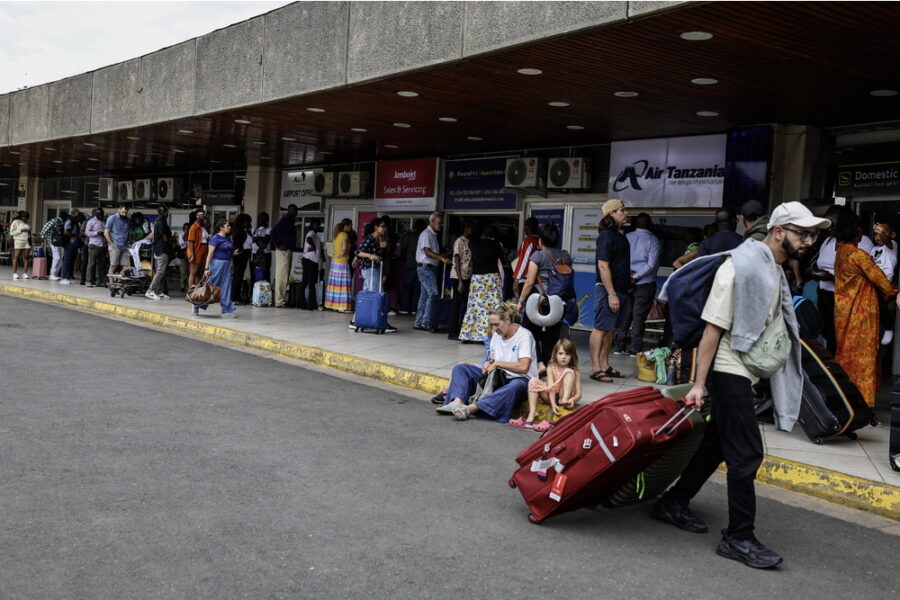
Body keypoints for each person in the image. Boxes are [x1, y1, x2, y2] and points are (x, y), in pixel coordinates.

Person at [653, 201, 829, 569]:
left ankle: (673, 502)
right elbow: (712, 328)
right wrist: (699, 384)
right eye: (802, 233)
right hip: (725, 367)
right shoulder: (740, 267)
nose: (809, 241)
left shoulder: (773, 269)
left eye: (812, 234)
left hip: (741, 369)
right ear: (779, 231)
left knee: (718, 443)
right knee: (746, 454)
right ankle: (738, 537)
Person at [833, 210, 900, 408]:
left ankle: (843, 397)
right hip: (861, 314)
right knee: (864, 359)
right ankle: (863, 404)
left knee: (844, 355)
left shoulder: (841, 252)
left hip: (842, 313)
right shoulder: (858, 255)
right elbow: (882, 282)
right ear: (857, 232)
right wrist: (896, 291)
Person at [436, 302, 538, 422]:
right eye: (491, 325)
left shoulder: (524, 336)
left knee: (515, 386)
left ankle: (471, 409)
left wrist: (497, 363)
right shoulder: (497, 335)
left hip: (519, 379)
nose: (494, 329)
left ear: (508, 320)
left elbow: (524, 366)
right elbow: (493, 359)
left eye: (497, 324)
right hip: (497, 377)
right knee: (461, 368)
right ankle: (457, 402)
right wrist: (488, 364)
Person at [814, 205, 872, 351]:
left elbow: (864, 275)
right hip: (824, 296)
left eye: (833, 222)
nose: (829, 226)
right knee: (827, 334)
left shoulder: (862, 242)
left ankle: (839, 371)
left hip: (844, 299)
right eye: (827, 222)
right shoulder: (828, 241)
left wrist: (832, 277)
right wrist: (815, 272)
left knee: (840, 340)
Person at [516, 221, 573, 366]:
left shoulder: (538, 255)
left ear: (540, 240)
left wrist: (520, 302)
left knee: (530, 332)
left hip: (539, 301)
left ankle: (539, 363)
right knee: (552, 335)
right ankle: (549, 365)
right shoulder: (565, 256)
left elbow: (529, 282)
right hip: (558, 302)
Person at [589, 199, 630, 383]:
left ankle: (605, 365)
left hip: (620, 289)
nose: (626, 212)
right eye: (622, 210)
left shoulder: (619, 235)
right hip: (608, 291)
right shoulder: (606, 235)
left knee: (611, 329)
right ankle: (595, 368)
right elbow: (603, 265)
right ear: (611, 214)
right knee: (601, 328)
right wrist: (611, 293)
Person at [509, 338, 582, 432]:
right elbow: (551, 387)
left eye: (567, 354)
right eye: (560, 353)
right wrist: (553, 404)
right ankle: (532, 412)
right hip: (551, 395)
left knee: (568, 372)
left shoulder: (575, 370)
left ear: (572, 356)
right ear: (555, 354)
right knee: (533, 381)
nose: (563, 357)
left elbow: (579, 394)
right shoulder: (551, 367)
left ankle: (564, 400)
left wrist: (572, 400)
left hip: (565, 399)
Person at [615, 213, 660, 356]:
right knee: (639, 316)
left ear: (636, 224)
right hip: (644, 283)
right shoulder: (653, 240)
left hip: (627, 281)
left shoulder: (627, 237)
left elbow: (620, 259)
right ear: (650, 224)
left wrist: (628, 276)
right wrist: (637, 276)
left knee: (626, 314)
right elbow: (651, 264)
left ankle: (619, 346)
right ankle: (635, 348)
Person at [458, 221, 506, 342]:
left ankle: (470, 335)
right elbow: (503, 259)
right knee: (493, 307)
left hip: (477, 279)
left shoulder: (472, 243)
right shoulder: (495, 244)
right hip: (492, 278)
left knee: (474, 307)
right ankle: (490, 334)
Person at [352, 217, 398, 333]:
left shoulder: (377, 239)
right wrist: (369, 255)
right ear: (376, 227)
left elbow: (382, 251)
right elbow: (358, 251)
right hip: (370, 269)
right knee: (377, 295)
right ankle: (380, 322)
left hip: (374, 269)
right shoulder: (370, 238)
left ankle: (356, 320)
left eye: (385, 226)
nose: (384, 228)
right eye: (382, 226)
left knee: (367, 295)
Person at [414, 212, 451, 331]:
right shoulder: (426, 234)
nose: (441, 225)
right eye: (439, 222)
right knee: (433, 293)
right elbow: (427, 251)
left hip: (428, 268)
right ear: (432, 221)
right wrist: (441, 258)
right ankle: (426, 321)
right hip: (426, 268)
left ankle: (419, 321)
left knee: (424, 295)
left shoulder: (433, 235)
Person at [195, 218, 237, 318]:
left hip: (227, 264)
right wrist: (206, 268)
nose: (229, 227)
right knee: (211, 286)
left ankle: (226, 310)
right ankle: (197, 304)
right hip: (217, 264)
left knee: (226, 286)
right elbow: (210, 254)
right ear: (221, 228)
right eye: (227, 226)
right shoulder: (215, 238)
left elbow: (227, 250)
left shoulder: (227, 238)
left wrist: (233, 253)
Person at [870, 214, 898, 346]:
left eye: (883, 233)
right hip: (873, 282)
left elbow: (886, 240)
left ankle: (888, 328)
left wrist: (881, 232)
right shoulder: (874, 249)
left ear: (892, 235)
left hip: (885, 283)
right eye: (876, 234)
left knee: (881, 304)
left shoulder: (892, 246)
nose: (878, 236)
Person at [448, 219, 474, 340]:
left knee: (466, 304)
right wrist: (459, 280)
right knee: (457, 304)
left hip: (467, 276)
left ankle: (461, 329)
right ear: (465, 228)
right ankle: (452, 331)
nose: (471, 230)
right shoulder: (459, 241)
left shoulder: (470, 241)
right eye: (469, 228)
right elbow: (457, 259)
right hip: (458, 276)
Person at [270, 204, 298, 308]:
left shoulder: (290, 220)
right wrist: (277, 245)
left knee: (285, 276)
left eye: (296, 210)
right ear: (289, 211)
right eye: (294, 210)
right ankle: (279, 301)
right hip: (283, 250)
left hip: (287, 249)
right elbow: (273, 231)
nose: (296, 212)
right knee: (281, 276)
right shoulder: (285, 220)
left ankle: (281, 300)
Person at [324, 218, 354, 313]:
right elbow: (345, 248)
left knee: (335, 285)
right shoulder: (344, 235)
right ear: (346, 226)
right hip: (342, 262)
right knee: (343, 284)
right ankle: (343, 307)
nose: (351, 228)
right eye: (350, 226)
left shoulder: (336, 235)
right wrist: (343, 253)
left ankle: (334, 305)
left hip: (334, 262)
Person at [399, 218, 426, 314]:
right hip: (420, 264)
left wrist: (403, 258)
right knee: (417, 288)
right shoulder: (424, 236)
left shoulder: (409, 235)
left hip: (410, 263)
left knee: (407, 286)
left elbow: (403, 249)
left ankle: (404, 307)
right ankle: (415, 308)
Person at [146, 206, 174, 300]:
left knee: (161, 272)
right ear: (164, 212)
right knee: (160, 272)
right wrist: (170, 241)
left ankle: (159, 292)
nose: (167, 214)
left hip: (159, 249)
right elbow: (164, 236)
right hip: (162, 249)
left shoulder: (158, 221)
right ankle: (150, 291)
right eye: (167, 212)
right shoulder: (161, 221)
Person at [299, 218, 324, 310]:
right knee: (311, 283)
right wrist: (313, 246)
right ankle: (310, 305)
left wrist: (321, 255)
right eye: (316, 225)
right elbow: (309, 239)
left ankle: (301, 304)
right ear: (312, 225)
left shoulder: (315, 235)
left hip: (309, 260)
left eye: (319, 225)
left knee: (305, 282)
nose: (318, 227)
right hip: (310, 260)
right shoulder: (311, 233)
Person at [512, 217, 540, 296]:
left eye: (525, 226)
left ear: (528, 227)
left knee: (523, 303)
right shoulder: (539, 241)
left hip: (525, 279)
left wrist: (517, 279)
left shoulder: (528, 240)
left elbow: (524, 260)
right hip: (536, 278)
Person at [231, 213, 253, 304]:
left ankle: (236, 297)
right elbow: (237, 244)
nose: (249, 223)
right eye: (248, 222)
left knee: (239, 276)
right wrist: (239, 251)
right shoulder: (239, 231)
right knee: (238, 276)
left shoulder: (244, 231)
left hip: (245, 253)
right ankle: (235, 298)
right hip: (241, 254)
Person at [186, 210, 210, 289]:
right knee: (193, 272)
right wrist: (192, 254)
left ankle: (198, 291)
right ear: (197, 216)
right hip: (197, 251)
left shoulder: (203, 227)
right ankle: (190, 291)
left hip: (204, 250)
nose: (204, 215)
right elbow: (191, 241)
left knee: (200, 273)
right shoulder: (194, 227)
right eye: (202, 214)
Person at [104, 205, 131, 275]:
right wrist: (111, 244)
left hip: (125, 245)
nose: (124, 214)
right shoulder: (112, 218)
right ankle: (112, 284)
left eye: (126, 213)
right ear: (119, 210)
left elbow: (128, 232)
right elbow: (106, 232)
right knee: (113, 265)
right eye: (123, 212)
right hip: (115, 245)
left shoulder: (127, 220)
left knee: (126, 266)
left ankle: (120, 283)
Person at [59, 209, 84, 285]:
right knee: (67, 260)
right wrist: (75, 235)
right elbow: (66, 231)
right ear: (73, 214)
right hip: (69, 243)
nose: (79, 215)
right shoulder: (69, 221)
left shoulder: (75, 221)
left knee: (72, 260)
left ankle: (69, 276)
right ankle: (63, 277)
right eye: (78, 214)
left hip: (74, 243)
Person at [84, 208, 107, 287]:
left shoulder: (104, 221)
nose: (101, 216)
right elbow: (87, 233)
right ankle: (88, 281)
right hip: (94, 245)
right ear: (95, 214)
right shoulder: (91, 222)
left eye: (102, 214)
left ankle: (99, 281)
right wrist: (97, 233)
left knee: (101, 265)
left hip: (103, 245)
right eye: (99, 214)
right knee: (91, 264)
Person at [41, 213, 66, 280]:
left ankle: (55, 274)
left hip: (60, 242)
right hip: (53, 242)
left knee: (60, 259)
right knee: (57, 258)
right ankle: (52, 274)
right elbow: (45, 227)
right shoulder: (55, 220)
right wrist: (43, 236)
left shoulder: (62, 222)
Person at [9, 211, 31, 280]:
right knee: (16, 257)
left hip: (27, 241)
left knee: (26, 257)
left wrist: (28, 230)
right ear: (21, 217)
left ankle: (25, 273)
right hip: (19, 240)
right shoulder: (16, 222)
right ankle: (15, 273)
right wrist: (21, 230)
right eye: (24, 218)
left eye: (27, 218)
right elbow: (12, 232)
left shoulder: (26, 223)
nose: (26, 219)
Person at [252, 212, 272, 282]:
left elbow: (266, 239)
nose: (260, 220)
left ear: (266, 220)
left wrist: (256, 238)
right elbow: (252, 239)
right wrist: (260, 240)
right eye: (259, 218)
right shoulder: (254, 229)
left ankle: (265, 291)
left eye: (262, 218)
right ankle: (254, 291)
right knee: (254, 273)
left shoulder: (269, 229)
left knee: (265, 273)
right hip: (254, 253)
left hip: (265, 254)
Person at [177, 223, 190, 292]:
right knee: (183, 271)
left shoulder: (191, 234)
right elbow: (181, 244)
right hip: (183, 254)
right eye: (185, 228)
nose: (186, 230)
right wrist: (185, 236)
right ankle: (182, 285)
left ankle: (188, 285)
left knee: (189, 271)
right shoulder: (181, 234)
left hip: (190, 254)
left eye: (188, 228)